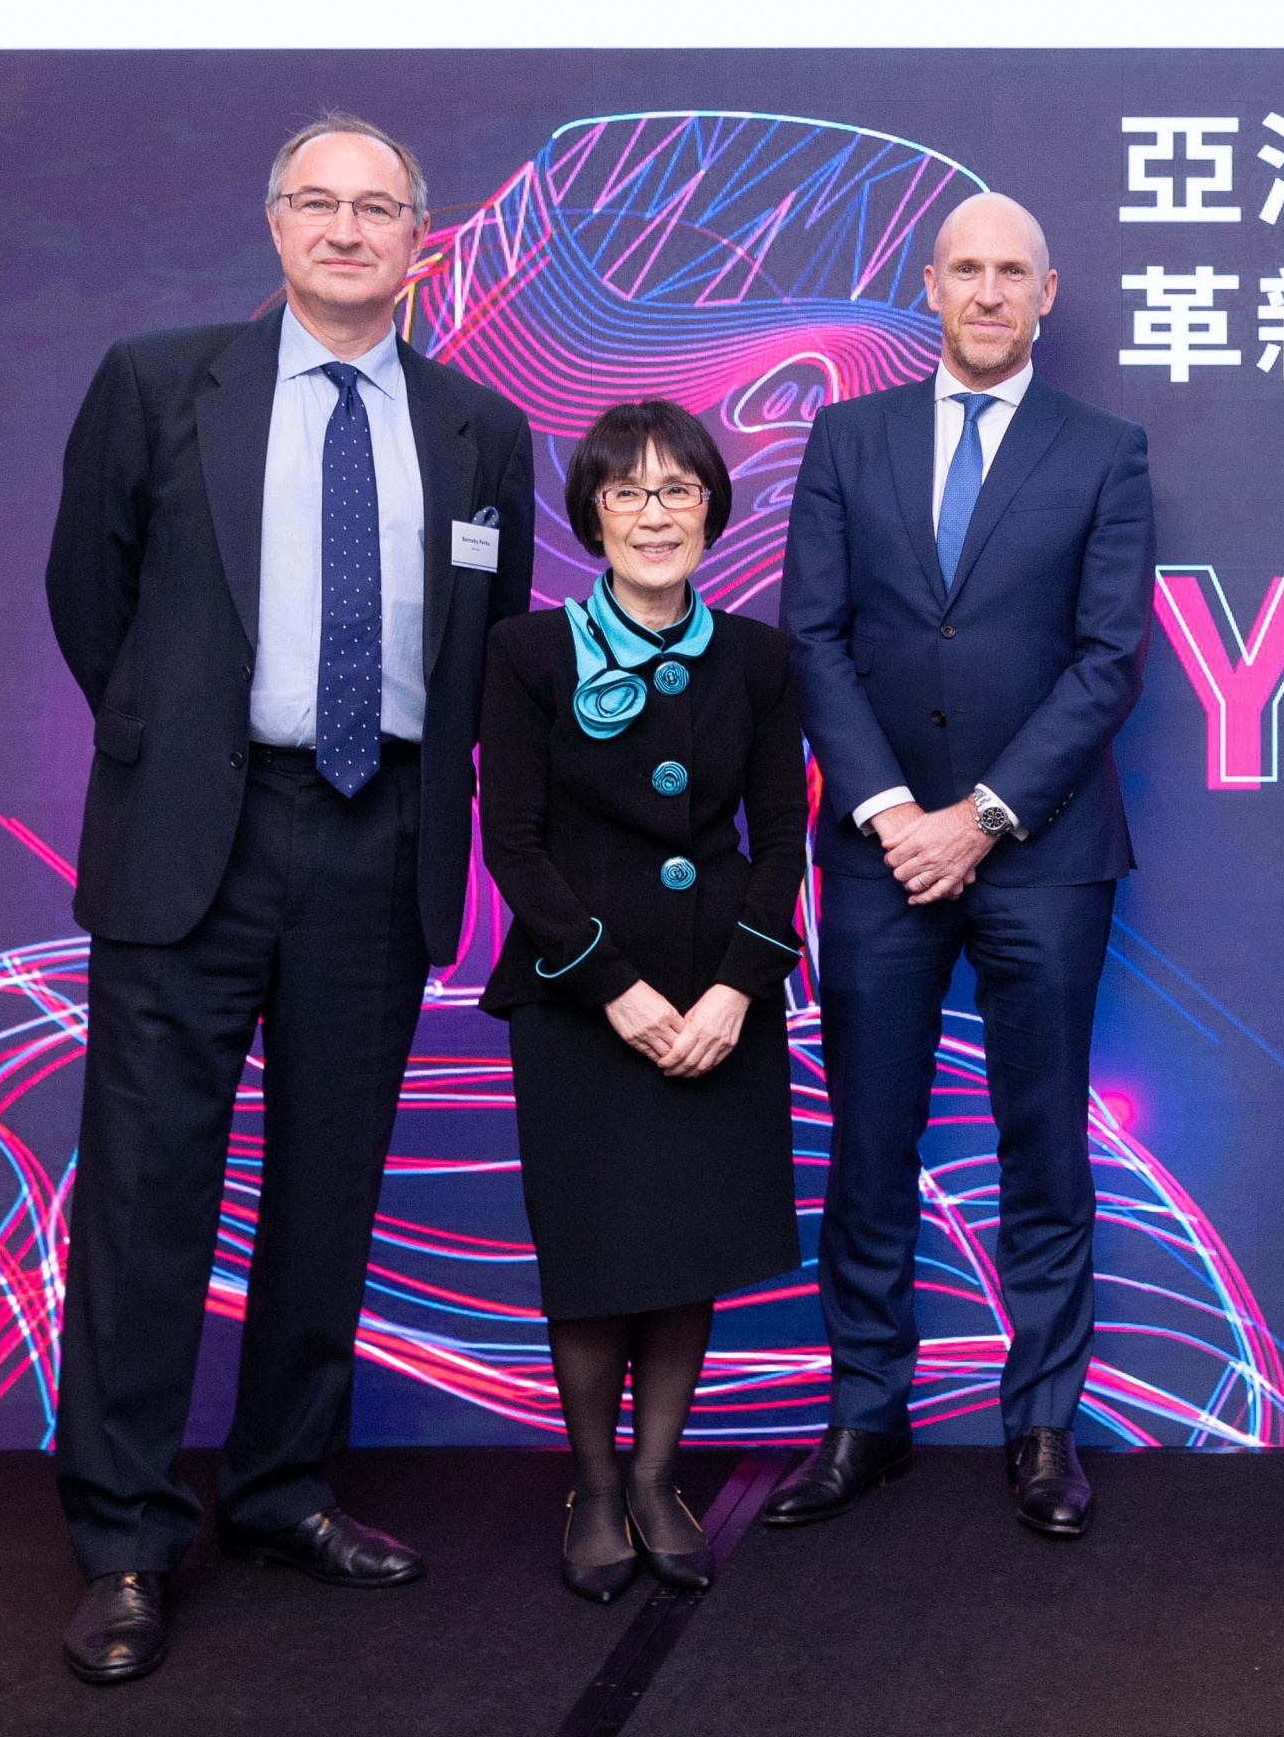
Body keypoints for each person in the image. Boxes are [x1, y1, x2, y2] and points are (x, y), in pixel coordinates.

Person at [43, 114, 535, 1684]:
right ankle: (124, 1539)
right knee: (143, 1202)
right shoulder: (154, 381)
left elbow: (486, 639)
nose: (344, 229)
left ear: (418, 238)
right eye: (315, 203)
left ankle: (278, 1491)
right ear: (273, 227)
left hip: (377, 838)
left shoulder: (479, 432)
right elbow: (91, 596)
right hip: (198, 833)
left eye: (375, 207)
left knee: (329, 1191)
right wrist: (175, 738)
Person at [772, 192, 1153, 1537]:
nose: (988, 293)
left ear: (1049, 293)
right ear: (927, 284)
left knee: (1043, 1145)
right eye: (966, 270)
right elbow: (811, 638)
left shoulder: (1104, 451)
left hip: (1043, 855)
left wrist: (981, 817)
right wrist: (891, 813)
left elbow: (1110, 660)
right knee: (868, 1147)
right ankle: (862, 1416)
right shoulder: (847, 438)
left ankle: (1042, 1427)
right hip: (876, 857)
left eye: (1014, 273)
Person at [476, 401, 807, 1603]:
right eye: (629, 492)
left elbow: (782, 839)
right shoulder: (526, 652)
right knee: (598, 1250)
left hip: (721, 997)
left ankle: (662, 1477)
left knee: (685, 1247)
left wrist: (735, 989)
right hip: (580, 1001)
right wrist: (612, 987)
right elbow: (510, 841)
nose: (655, 513)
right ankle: (597, 1486)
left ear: (713, 510)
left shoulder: (762, 659)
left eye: (678, 490)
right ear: (593, 513)